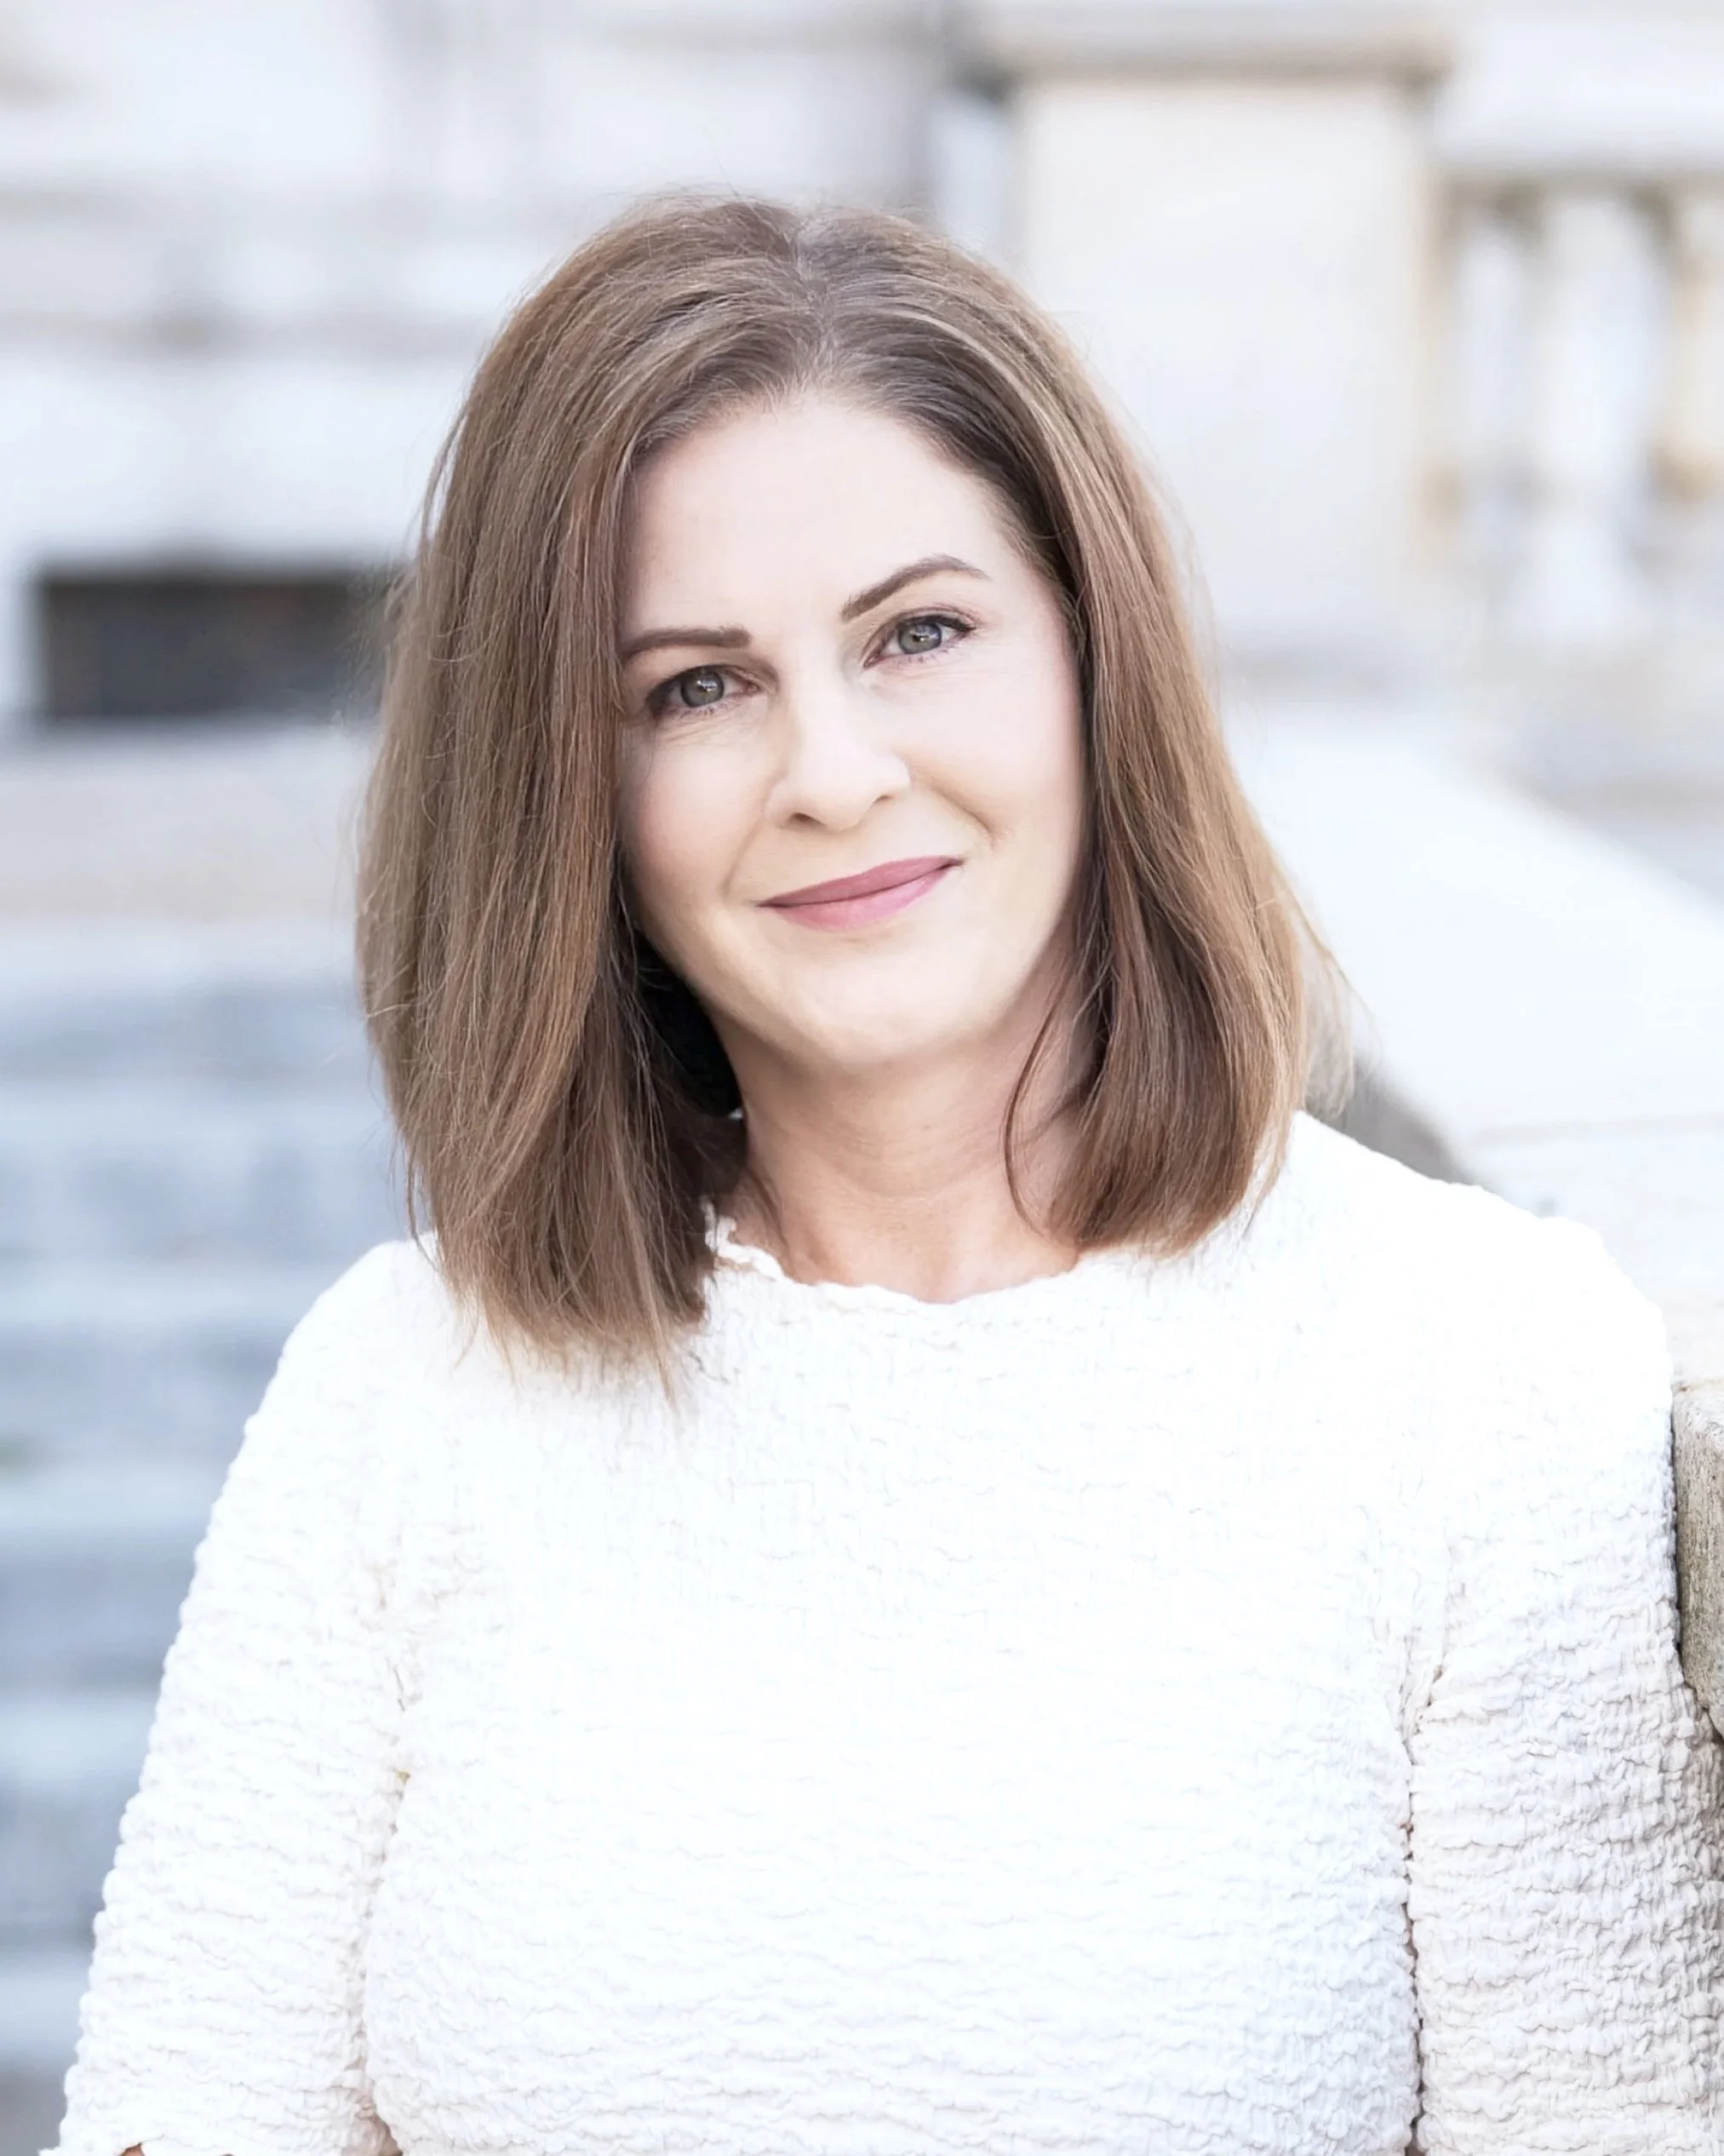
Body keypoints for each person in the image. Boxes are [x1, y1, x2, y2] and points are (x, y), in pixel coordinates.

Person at [55, 195, 1722, 2156]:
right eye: (696, 685)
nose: (831, 770)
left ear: (1096, 668)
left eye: (918, 634)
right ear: (564, 796)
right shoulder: (402, 1392)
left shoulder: (1480, 1375)